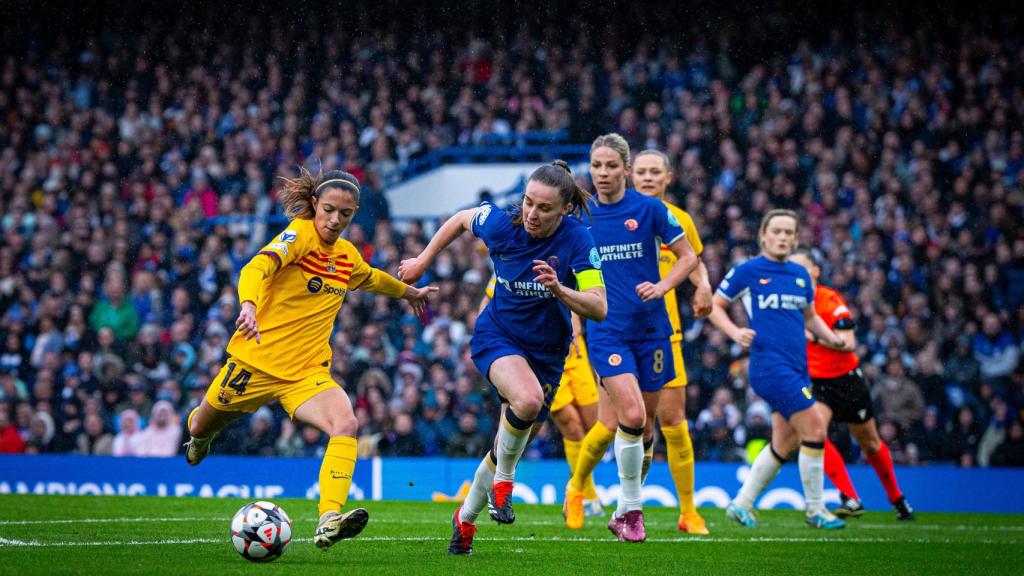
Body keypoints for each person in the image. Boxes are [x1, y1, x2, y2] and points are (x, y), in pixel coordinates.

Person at [183, 167, 436, 550]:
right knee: (202, 424)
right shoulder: (299, 235)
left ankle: (329, 517)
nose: (335, 220)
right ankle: (202, 437)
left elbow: (370, 278)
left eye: (345, 214)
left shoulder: (347, 255)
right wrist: (249, 306)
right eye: (329, 210)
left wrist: (407, 293)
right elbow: (257, 266)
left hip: (305, 373)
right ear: (315, 204)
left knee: (346, 423)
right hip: (255, 363)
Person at [399, 160, 607, 555]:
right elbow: (461, 219)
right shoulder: (501, 223)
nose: (531, 213)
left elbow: (599, 307)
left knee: (501, 448)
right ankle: (505, 485)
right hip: (498, 335)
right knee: (526, 400)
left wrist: (561, 290)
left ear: (564, 209)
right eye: (528, 202)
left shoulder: (579, 240)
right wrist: (424, 260)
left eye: (544, 208)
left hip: (547, 352)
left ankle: (464, 521)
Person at [562, 134, 698, 542]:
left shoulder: (651, 210)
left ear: (626, 169)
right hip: (608, 333)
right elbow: (569, 271)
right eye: (596, 166)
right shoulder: (580, 217)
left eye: (609, 166)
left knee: (648, 429)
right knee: (632, 417)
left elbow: (689, 257)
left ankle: (622, 509)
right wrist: (573, 319)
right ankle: (631, 512)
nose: (602, 174)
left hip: (654, 330)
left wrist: (662, 286)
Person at [709, 209, 847, 529]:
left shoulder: (799, 277)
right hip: (769, 366)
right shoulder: (748, 271)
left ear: (796, 239)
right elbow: (715, 306)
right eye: (777, 232)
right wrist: (734, 333)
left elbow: (810, 318)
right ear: (763, 235)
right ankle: (815, 509)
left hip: (798, 367)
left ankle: (741, 503)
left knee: (785, 442)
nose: (783, 237)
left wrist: (832, 339)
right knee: (814, 428)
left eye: (789, 233)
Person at [789, 249, 915, 521]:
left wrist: (811, 337)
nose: (794, 271)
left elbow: (848, 343)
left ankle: (897, 498)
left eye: (800, 267)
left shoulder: (830, 300)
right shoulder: (789, 304)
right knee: (813, 433)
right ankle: (849, 496)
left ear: (815, 271)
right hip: (817, 383)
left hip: (846, 381)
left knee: (870, 444)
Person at [632, 149, 713, 534]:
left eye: (655, 172)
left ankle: (688, 511)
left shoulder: (678, 220)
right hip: (620, 334)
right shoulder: (615, 215)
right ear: (631, 175)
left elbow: (694, 261)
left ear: (668, 177)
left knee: (673, 422)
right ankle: (584, 490)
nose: (647, 178)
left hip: (667, 333)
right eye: (642, 172)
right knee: (632, 425)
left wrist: (704, 288)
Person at [480, 277, 605, 516]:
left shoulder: (568, 249)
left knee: (595, 427)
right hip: (543, 358)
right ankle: (583, 494)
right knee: (571, 426)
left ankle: (578, 486)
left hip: (573, 351)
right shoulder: (515, 258)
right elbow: (488, 300)